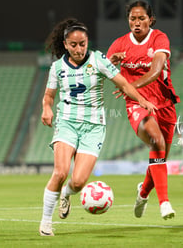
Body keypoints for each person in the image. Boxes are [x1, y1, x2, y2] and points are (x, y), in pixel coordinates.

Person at [39, 18, 157, 236]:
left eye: (82, 44)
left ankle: (66, 194)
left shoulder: (99, 59)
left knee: (79, 181)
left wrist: (142, 100)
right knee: (60, 171)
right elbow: (48, 96)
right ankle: (46, 222)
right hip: (67, 123)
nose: (78, 49)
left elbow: (123, 83)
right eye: (73, 45)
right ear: (65, 44)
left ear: (87, 42)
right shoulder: (57, 68)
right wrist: (47, 108)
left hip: (94, 127)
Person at [107, 0, 180, 219]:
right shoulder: (119, 44)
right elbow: (107, 72)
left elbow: (157, 70)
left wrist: (130, 85)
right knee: (156, 139)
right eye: (132, 18)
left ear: (150, 19)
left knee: (159, 155)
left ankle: (143, 192)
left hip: (164, 102)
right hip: (136, 102)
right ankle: (164, 203)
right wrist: (111, 60)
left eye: (141, 18)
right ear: (127, 20)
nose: (136, 23)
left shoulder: (159, 38)